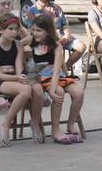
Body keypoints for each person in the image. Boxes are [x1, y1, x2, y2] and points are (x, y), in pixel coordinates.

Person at [0, 13, 44, 143]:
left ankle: (35, 121)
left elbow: (18, 68)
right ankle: (5, 123)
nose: (14, 32)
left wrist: (24, 76)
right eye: (10, 29)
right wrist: (18, 77)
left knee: (38, 88)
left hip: (14, 77)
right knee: (26, 90)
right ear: (0, 30)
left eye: (16, 29)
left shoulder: (17, 45)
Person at [29, 12, 86, 142]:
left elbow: (56, 71)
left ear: (48, 32)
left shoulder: (56, 46)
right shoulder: (31, 41)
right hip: (40, 76)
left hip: (56, 76)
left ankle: (71, 124)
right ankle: (56, 130)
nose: (35, 33)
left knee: (78, 93)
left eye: (39, 30)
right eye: (34, 30)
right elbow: (17, 45)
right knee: (59, 93)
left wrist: (52, 90)